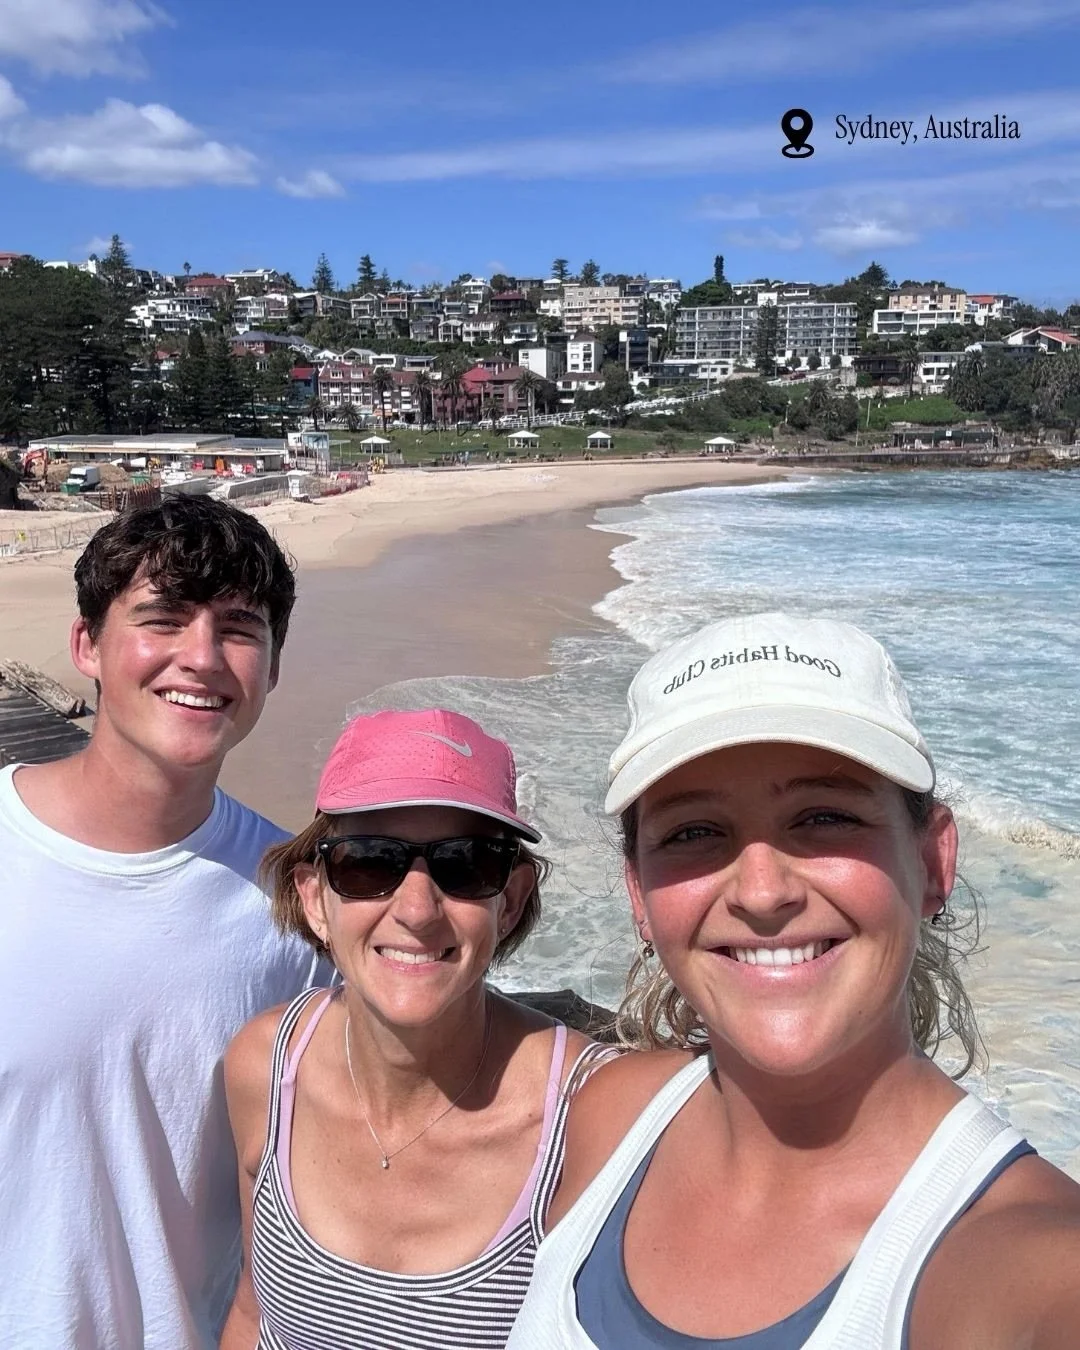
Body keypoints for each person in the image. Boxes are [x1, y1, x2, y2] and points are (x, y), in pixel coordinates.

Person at [508, 613, 1080, 1349]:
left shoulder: (1032, 1268)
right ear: (638, 893)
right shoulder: (609, 1117)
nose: (762, 892)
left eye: (824, 817)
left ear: (934, 861)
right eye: (693, 832)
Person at [0, 495, 325, 1350]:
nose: (203, 657)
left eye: (240, 629)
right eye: (164, 619)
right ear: (87, 646)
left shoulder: (299, 903)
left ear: (272, 669)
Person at [222, 708, 610, 1350]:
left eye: (465, 864)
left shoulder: (591, 1115)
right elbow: (250, 1310)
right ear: (315, 898)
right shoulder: (266, 1065)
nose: (417, 909)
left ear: (510, 901)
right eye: (370, 863)